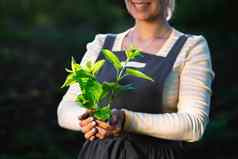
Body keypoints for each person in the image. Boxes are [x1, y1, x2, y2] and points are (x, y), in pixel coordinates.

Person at [57, 0, 215, 158]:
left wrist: (126, 120)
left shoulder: (191, 47)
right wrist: (88, 120)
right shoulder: (102, 44)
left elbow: (194, 125)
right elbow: (66, 108)